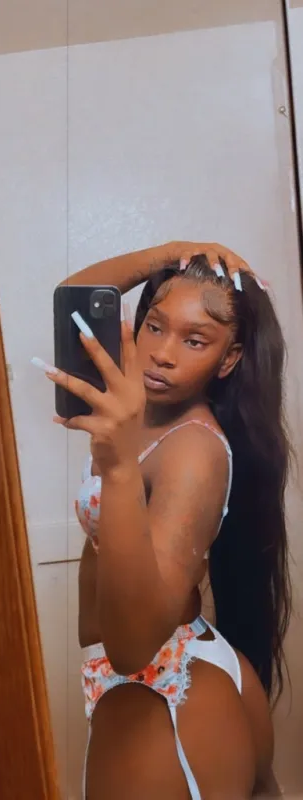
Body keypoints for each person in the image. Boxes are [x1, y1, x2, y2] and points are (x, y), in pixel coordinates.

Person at [32, 241, 290, 798]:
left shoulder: (194, 450)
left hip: (163, 689)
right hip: (172, 670)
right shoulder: (131, 405)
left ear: (229, 359)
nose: (162, 354)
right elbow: (73, 297)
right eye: (155, 326)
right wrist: (171, 253)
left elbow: (133, 650)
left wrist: (118, 463)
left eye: (195, 340)